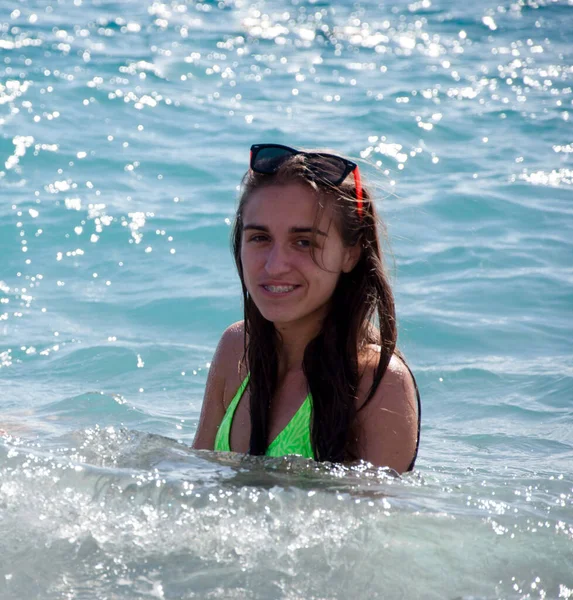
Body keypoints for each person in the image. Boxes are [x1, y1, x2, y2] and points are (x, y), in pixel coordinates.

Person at [193, 143, 420, 473]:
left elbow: (376, 523)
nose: (274, 265)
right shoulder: (236, 349)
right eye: (260, 238)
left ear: (350, 253)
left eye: (303, 242)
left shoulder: (378, 384)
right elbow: (195, 482)